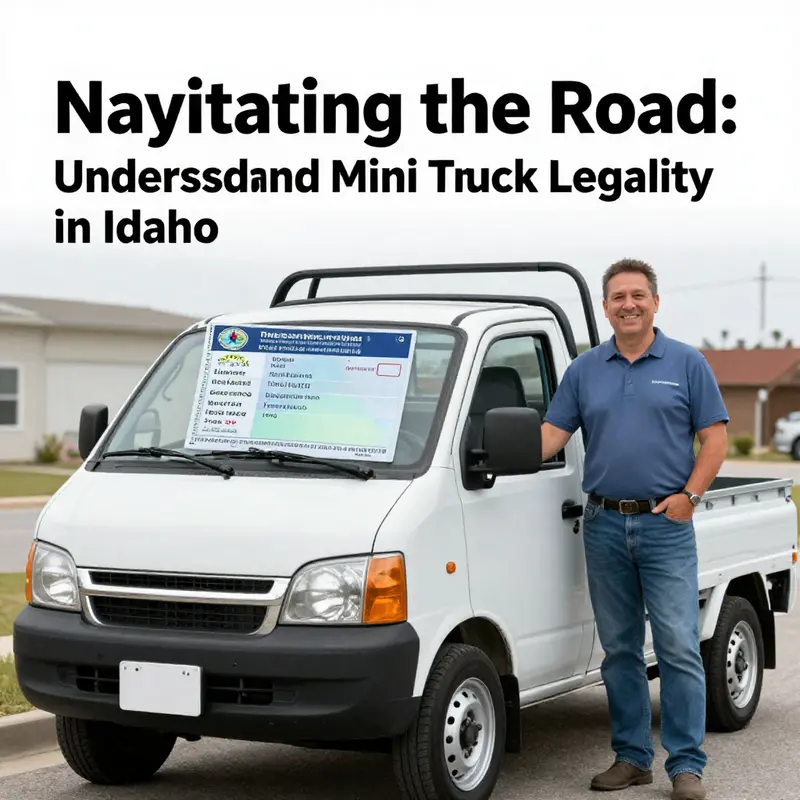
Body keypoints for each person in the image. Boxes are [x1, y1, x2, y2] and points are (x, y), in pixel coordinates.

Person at [541, 259, 729, 800]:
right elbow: (552, 435)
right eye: (618, 296)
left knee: (676, 647)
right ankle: (631, 758)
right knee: (619, 649)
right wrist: (491, 448)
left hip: (665, 525)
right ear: (605, 306)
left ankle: (687, 766)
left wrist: (689, 498)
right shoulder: (584, 370)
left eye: (638, 295)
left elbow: (713, 441)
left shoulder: (687, 363)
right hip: (601, 523)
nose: (628, 304)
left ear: (655, 302)